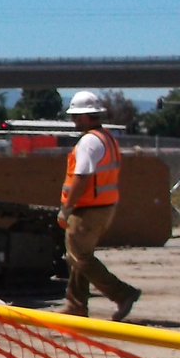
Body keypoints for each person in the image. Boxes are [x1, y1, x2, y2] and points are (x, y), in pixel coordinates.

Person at [58, 90, 139, 322]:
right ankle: (76, 305)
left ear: (85, 116)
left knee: (80, 257)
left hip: (88, 209)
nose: (73, 120)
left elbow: (82, 176)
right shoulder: (106, 138)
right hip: (103, 206)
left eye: (76, 116)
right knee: (77, 256)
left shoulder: (89, 142)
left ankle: (123, 293)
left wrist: (67, 208)